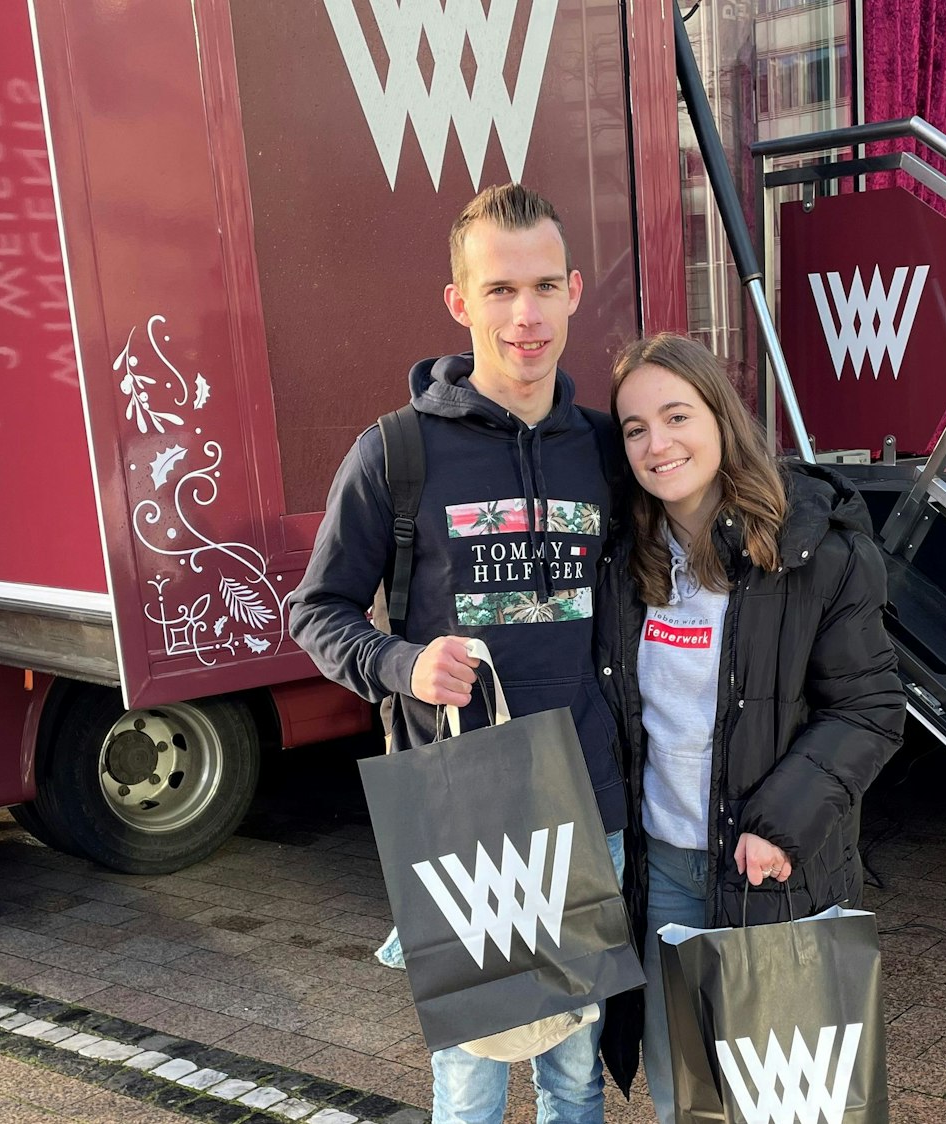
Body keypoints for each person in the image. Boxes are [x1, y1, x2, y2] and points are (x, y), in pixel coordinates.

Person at [286, 184, 626, 1124]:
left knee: (574, 1070)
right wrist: (403, 664)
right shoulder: (396, 451)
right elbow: (316, 611)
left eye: (545, 287)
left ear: (573, 293)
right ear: (459, 302)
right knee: (472, 1080)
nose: (526, 315)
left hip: (587, 798)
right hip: (461, 811)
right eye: (501, 289)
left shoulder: (603, 449)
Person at [593, 334, 905, 1123]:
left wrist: (780, 825)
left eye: (676, 415)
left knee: (784, 1105)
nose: (658, 444)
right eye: (635, 429)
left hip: (777, 871)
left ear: (721, 418)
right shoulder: (625, 560)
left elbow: (869, 709)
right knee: (687, 1098)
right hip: (662, 871)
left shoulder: (815, 551)